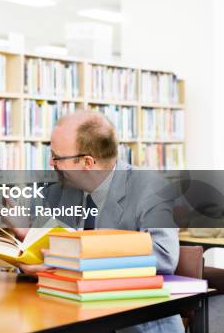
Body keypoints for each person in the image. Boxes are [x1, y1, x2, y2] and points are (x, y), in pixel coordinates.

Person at [16, 110, 183, 333]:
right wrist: (26, 250)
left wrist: (77, 255)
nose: (51, 163)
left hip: (134, 323)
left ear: (88, 162)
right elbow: (46, 251)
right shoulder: (58, 191)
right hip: (69, 315)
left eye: (57, 157)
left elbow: (163, 256)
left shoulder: (151, 189)